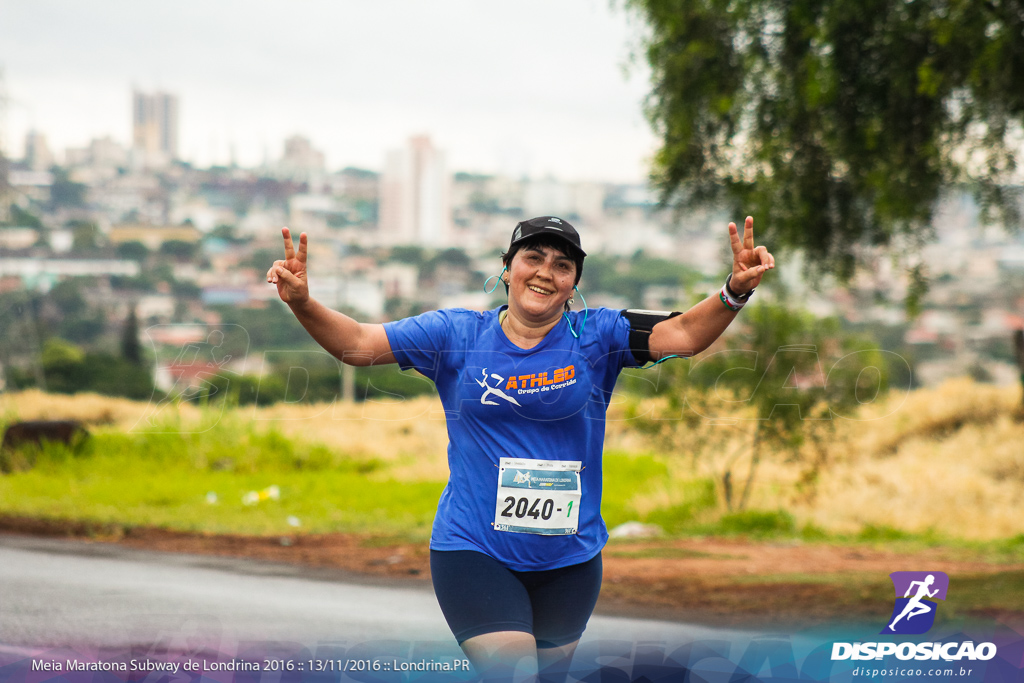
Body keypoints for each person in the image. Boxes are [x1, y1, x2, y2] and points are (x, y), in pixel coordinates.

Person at [267, 216, 774, 681]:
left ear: (574, 283)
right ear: (507, 269)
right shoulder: (456, 334)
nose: (545, 273)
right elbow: (358, 342)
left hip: (569, 560)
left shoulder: (599, 334)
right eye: (533, 258)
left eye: (562, 265)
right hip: (475, 550)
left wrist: (733, 292)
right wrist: (303, 303)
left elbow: (683, 333)